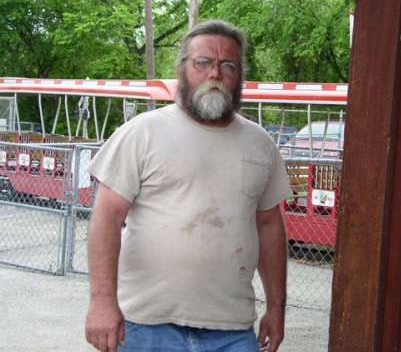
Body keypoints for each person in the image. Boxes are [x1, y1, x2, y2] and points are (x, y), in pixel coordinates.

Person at [85, 20, 292, 352]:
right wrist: (101, 302)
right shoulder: (142, 133)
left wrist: (277, 308)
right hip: (146, 327)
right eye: (203, 63)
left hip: (233, 331)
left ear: (240, 75)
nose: (215, 74)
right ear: (182, 69)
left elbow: (269, 226)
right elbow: (105, 219)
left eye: (228, 65)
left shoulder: (261, 144)